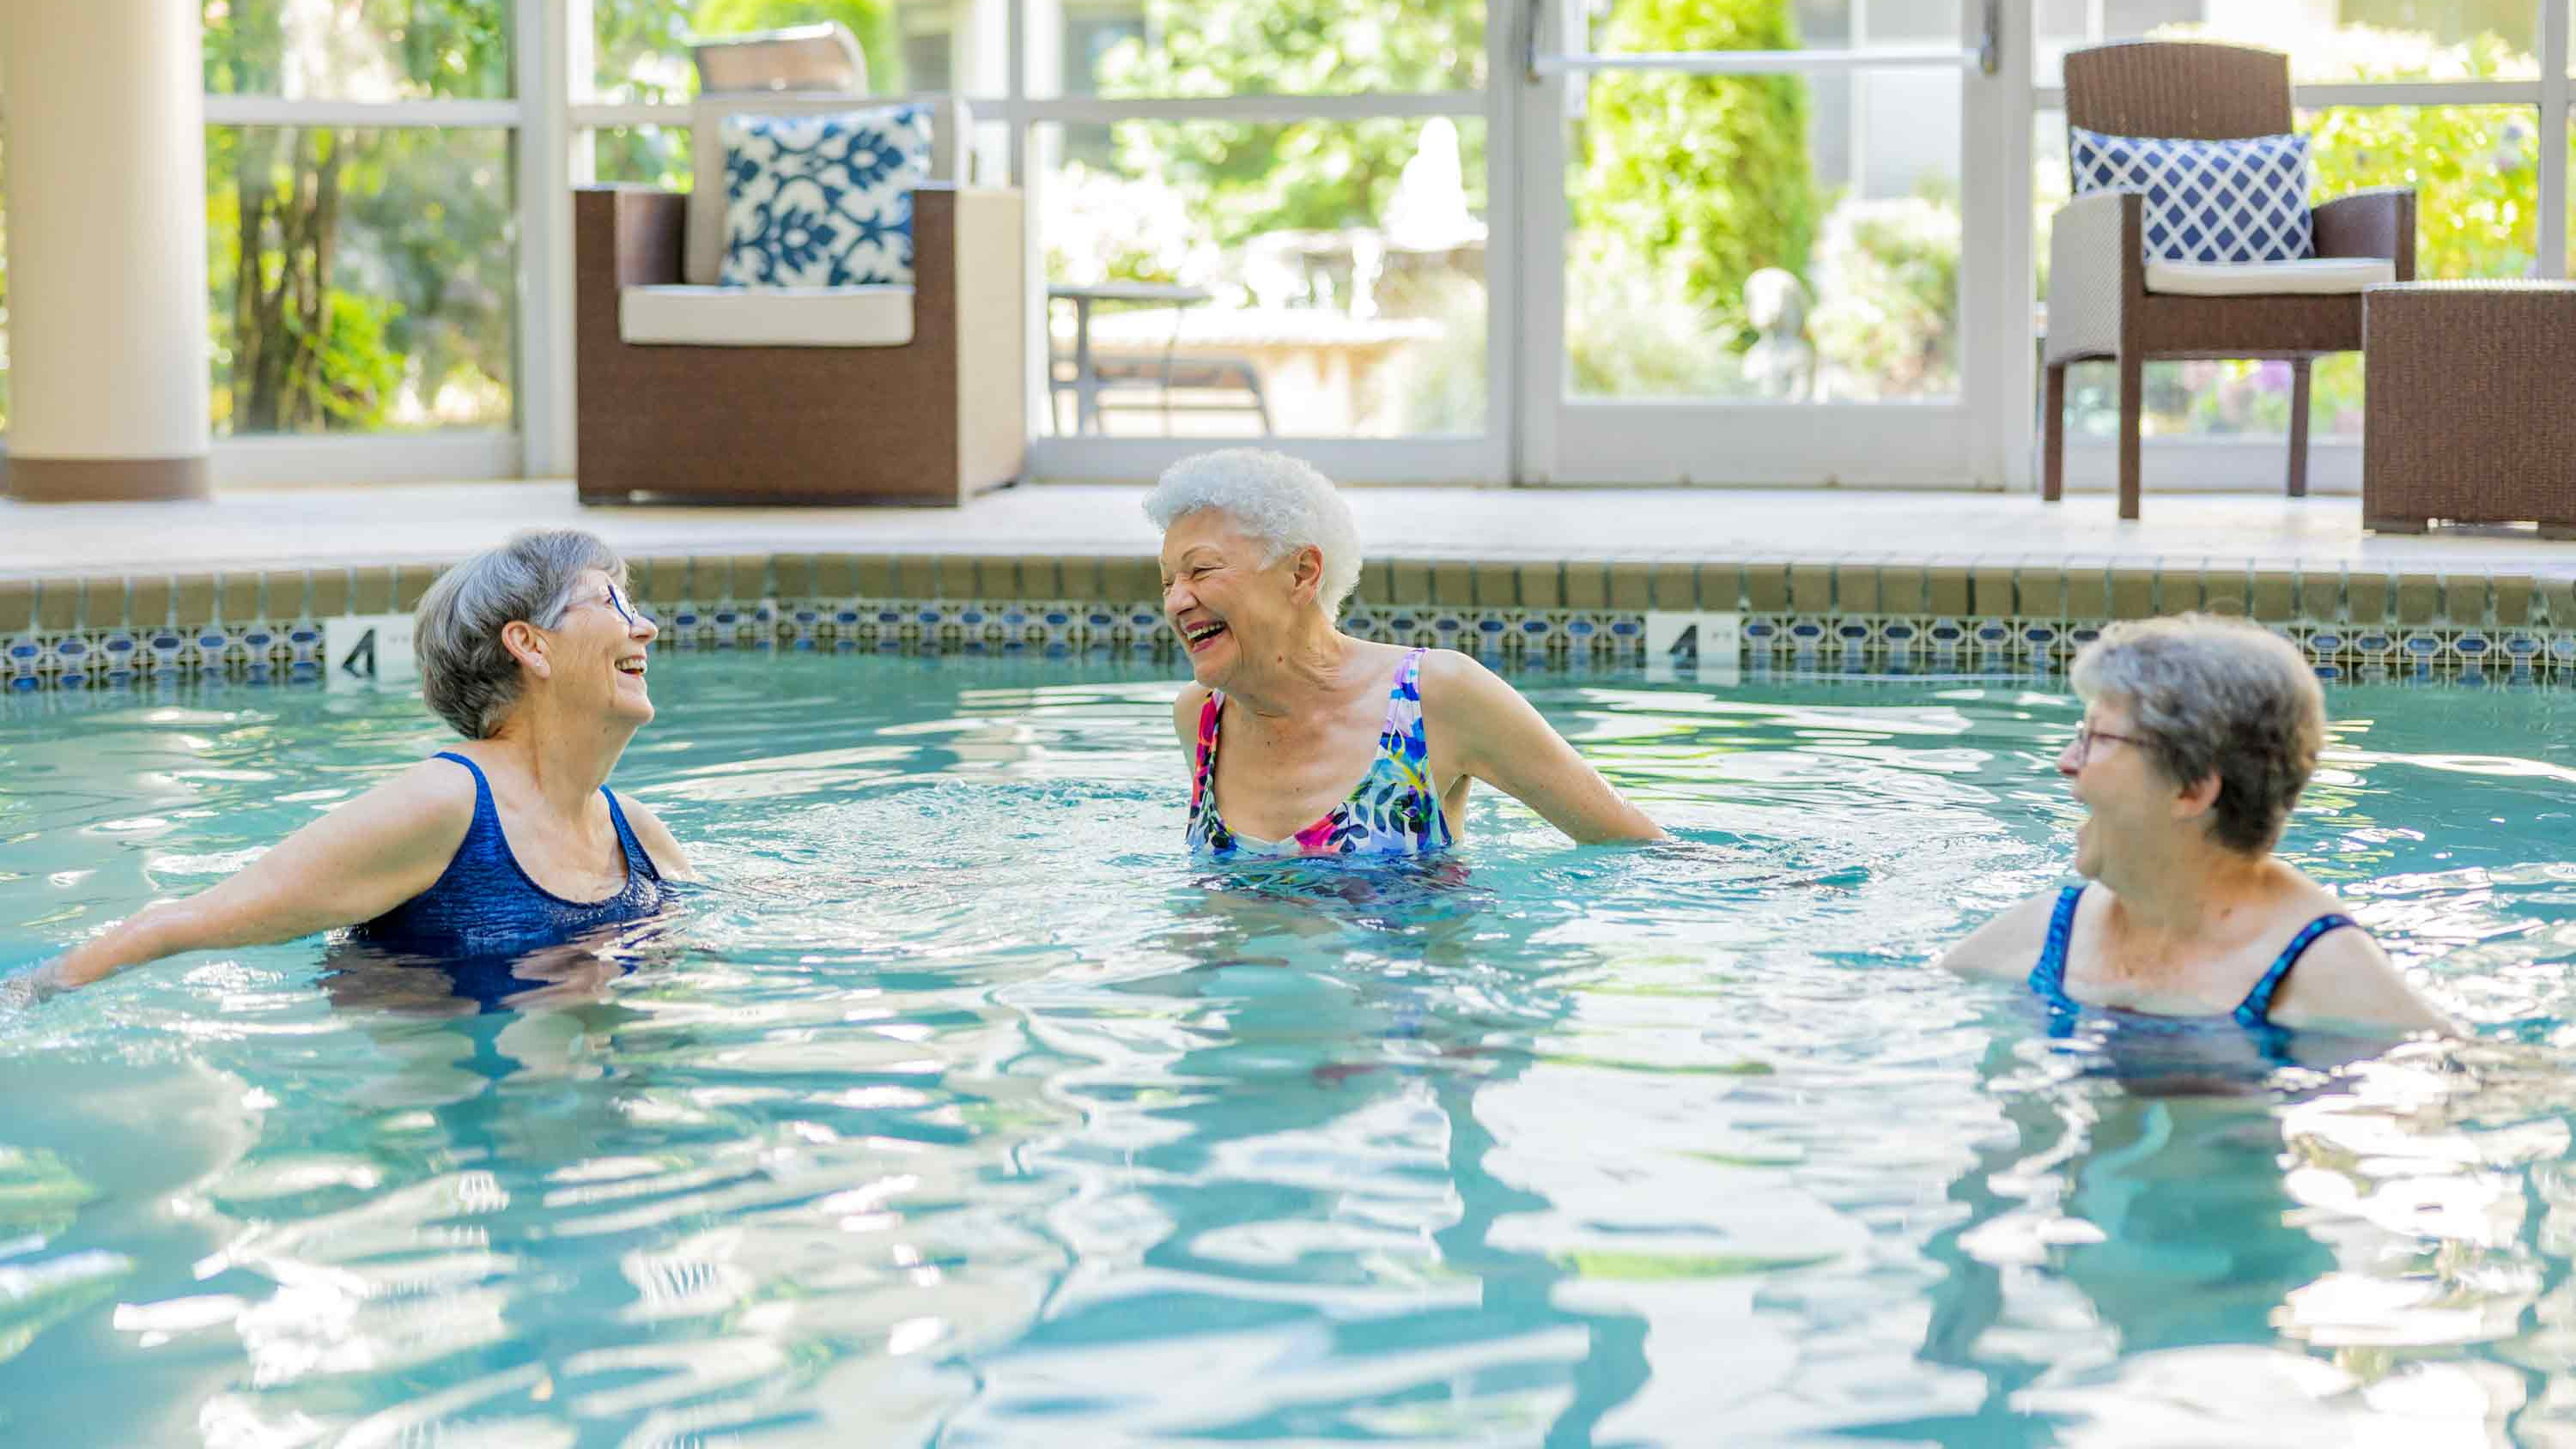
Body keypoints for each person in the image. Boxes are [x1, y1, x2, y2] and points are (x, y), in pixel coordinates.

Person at [5, 529, 696, 1006]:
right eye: (613, 604)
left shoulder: (638, 836)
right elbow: (178, 924)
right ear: (530, 645)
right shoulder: (449, 805)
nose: (646, 628)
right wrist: (23, 1001)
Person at [1939, 614, 2451, 1036]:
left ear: (2190, 789)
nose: (2066, 760)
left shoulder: (2321, 975)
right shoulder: (2044, 940)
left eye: (2097, 739)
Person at [1148, 448, 1663, 857]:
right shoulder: (1200, 718)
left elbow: (1635, 847)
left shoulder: (1434, 696)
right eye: (1168, 581)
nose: (1176, 601)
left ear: (1302, 573)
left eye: (1203, 570)